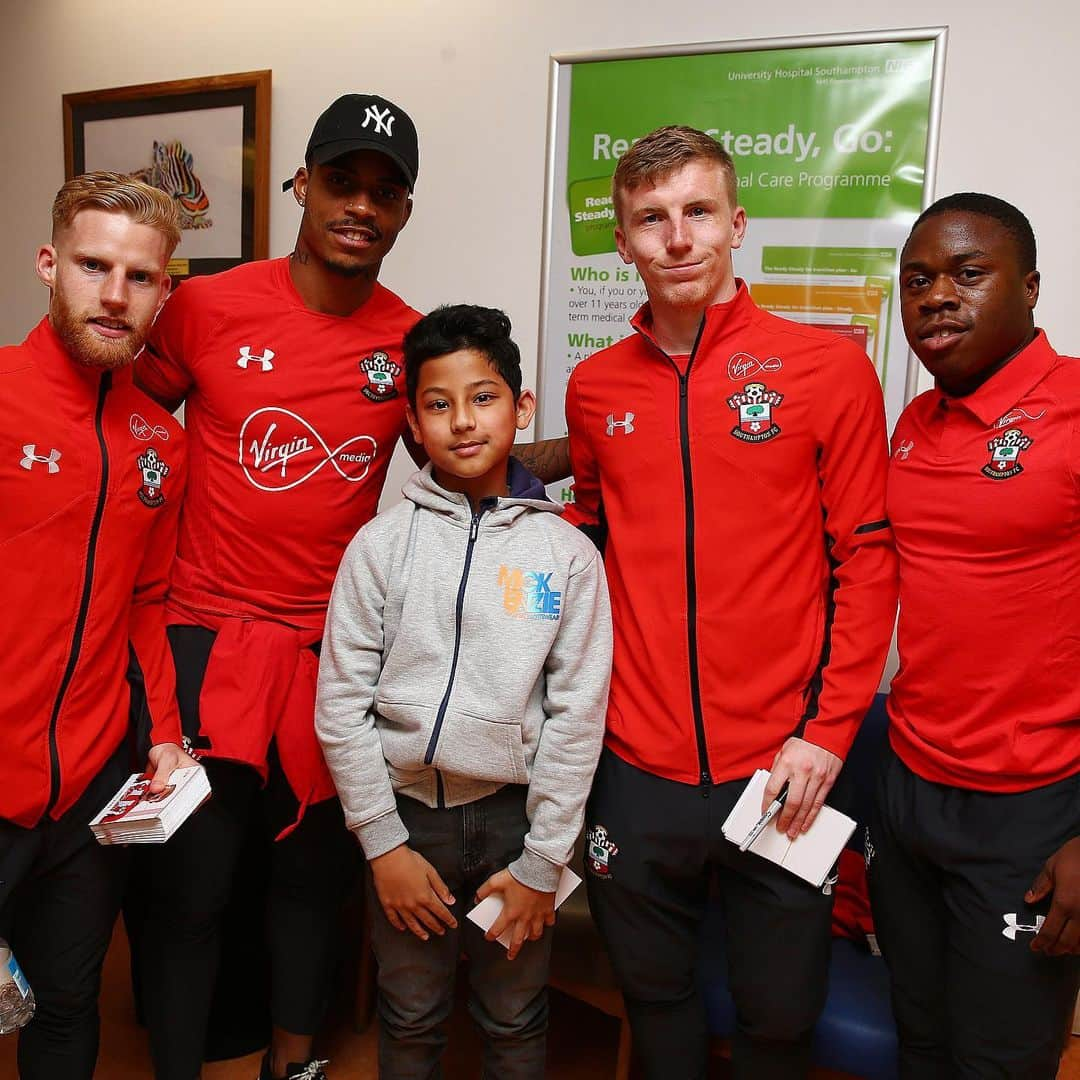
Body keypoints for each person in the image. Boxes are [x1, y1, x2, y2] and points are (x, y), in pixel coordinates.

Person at [133, 93, 567, 1080]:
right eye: (341, 180)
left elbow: (472, 446)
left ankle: (298, 1065)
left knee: (308, 885)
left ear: (404, 212)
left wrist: (599, 450)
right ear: (302, 183)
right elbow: (136, 433)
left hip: (334, 654)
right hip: (203, 638)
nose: (361, 204)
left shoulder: (409, 343)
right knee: (190, 893)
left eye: (386, 191)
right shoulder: (205, 307)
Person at [564, 125, 898, 1078]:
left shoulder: (826, 370)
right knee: (658, 1002)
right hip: (631, 763)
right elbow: (590, 547)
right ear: (623, 241)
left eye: (698, 212)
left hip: (780, 766)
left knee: (780, 1019)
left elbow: (867, 562)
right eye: (651, 219)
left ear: (737, 222)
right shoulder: (596, 389)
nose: (677, 239)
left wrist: (828, 731)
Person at [315, 303, 612, 1078]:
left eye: (483, 398)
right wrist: (382, 844)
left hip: (519, 824)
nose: (463, 422)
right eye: (438, 405)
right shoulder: (380, 547)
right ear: (413, 422)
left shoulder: (566, 553)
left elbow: (579, 714)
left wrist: (546, 859)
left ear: (521, 408)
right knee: (409, 1015)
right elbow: (341, 703)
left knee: (513, 1017)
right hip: (407, 822)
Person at [868, 192, 1080, 1078]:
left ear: (1030, 289)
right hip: (910, 786)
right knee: (919, 1040)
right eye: (918, 281)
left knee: (999, 1061)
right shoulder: (915, 426)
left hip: (1032, 809)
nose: (936, 297)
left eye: (966, 274)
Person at [0, 172, 188, 1078]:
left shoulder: (162, 437)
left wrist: (164, 736)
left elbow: (145, 601)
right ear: (49, 264)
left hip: (88, 790)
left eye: (140, 276)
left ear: (164, 290)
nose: (115, 296)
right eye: (92, 265)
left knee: (65, 1003)